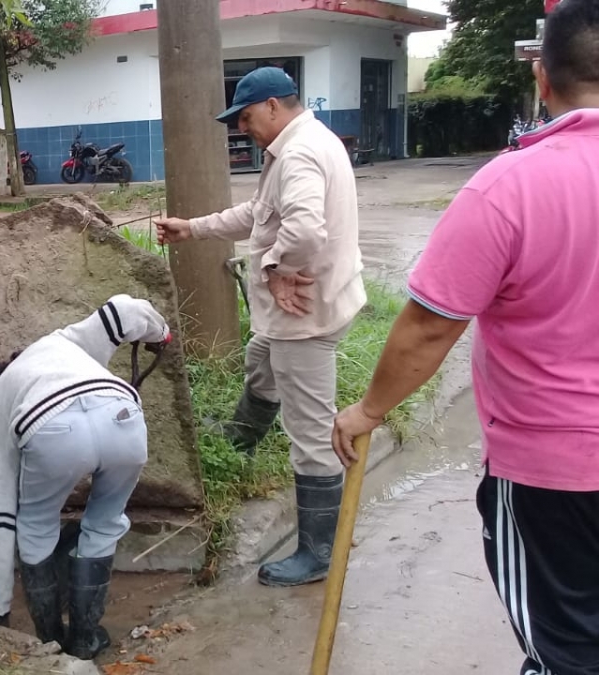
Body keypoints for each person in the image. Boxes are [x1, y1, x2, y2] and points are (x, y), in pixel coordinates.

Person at [333, 1, 599, 671]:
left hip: (555, 473)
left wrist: (369, 408)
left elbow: (428, 326)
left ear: (542, 77)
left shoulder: (508, 187)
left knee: (564, 651)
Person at [154, 66, 366, 588]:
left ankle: (318, 553)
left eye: (246, 118)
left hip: (304, 318)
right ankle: (241, 440)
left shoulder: (297, 154)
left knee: (312, 435)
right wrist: (194, 228)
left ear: (273, 105)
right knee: (260, 364)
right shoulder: (305, 142)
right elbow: (260, 213)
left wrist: (275, 271)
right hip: (305, 310)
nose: (242, 128)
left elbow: (303, 228)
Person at [0, 295, 171, 660]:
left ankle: (50, 640)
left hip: (50, 426)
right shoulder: (58, 343)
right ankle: (85, 639)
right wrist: (161, 333)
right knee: (105, 522)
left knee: (33, 524)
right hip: (121, 412)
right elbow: (123, 312)